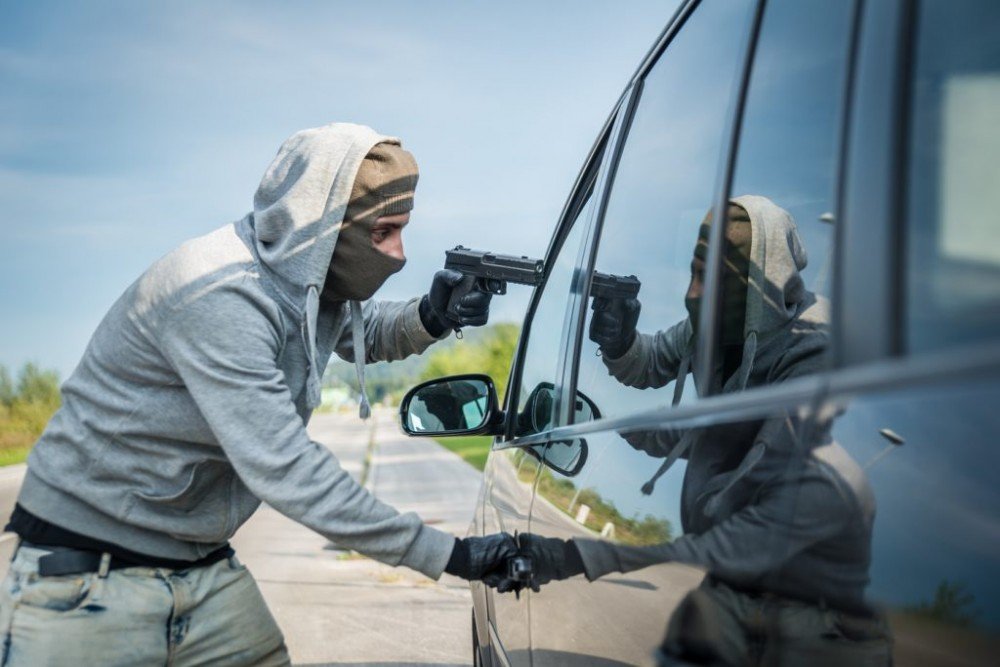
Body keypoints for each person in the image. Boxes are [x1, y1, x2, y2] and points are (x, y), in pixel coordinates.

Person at [0, 123, 516, 666]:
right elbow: (284, 467)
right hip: (89, 574)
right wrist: (452, 555)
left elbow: (354, 333)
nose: (400, 253)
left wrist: (432, 315)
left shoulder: (303, 280)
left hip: (199, 564)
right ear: (327, 226)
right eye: (385, 232)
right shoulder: (219, 292)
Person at [491, 196, 891, 665]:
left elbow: (753, 479)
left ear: (763, 286)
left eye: (713, 278)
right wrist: (619, 341)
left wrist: (576, 558)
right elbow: (652, 362)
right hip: (747, 579)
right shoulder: (716, 323)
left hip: (811, 604)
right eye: (693, 273)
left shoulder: (811, 353)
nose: (693, 294)